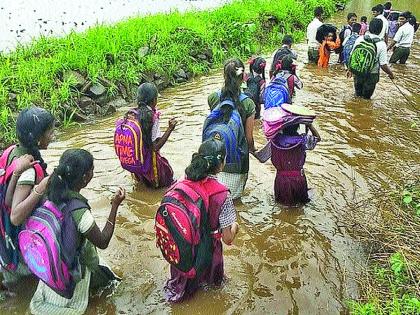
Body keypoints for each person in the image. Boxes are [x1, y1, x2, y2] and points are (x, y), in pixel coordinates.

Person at [29, 149, 125, 314]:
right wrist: (115, 206)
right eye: (92, 170)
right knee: (114, 285)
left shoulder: (49, 196)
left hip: (51, 260)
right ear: (85, 178)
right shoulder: (79, 212)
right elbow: (103, 241)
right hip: (70, 269)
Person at [164, 139, 239, 302]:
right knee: (212, 292)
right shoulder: (223, 195)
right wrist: (235, 226)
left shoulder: (182, 182)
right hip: (208, 253)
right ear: (221, 164)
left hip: (182, 246)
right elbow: (228, 238)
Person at [1, 107, 54, 288]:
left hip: (4, 235)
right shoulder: (28, 171)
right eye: (50, 132)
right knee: (22, 288)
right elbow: (15, 216)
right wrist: (41, 187)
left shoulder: (11, 151)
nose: (53, 136)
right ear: (38, 138)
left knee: (12, 287)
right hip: (17, 238)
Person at [207, 58, 256, 199]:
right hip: (238, 160)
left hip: (214, 156)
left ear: (224, 75)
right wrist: (254, 150)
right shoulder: (248, 103)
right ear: (243, 77)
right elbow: (249, 138)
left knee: (216, 201)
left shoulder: (213, 98)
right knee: (234, 203)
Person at [115, 82, 177, 188]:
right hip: (150, 164)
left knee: (141, 187)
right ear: (154, 100)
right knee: (165, 185)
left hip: (137, 163)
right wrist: (170, 129)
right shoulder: (152, 117)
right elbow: (155, 147)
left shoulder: (131, 114)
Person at [271, 121, 321, 206]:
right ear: (298, 126)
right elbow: (318, 139)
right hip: (298, 179)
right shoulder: (303, 140)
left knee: (281, 205)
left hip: (281, 180)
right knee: (301, 206)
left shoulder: (275, 140)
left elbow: (262, 157)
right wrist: (309, 125)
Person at [348, 18, 395, 99]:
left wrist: (350, 69)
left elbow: (352, 55)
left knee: (357, 95)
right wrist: (391, 74)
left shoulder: (360, 38)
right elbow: (383, 65)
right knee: (366, 99)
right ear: (381, 30)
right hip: (372, 75)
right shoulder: (381, 44)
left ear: (369, 28)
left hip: (358, 71)